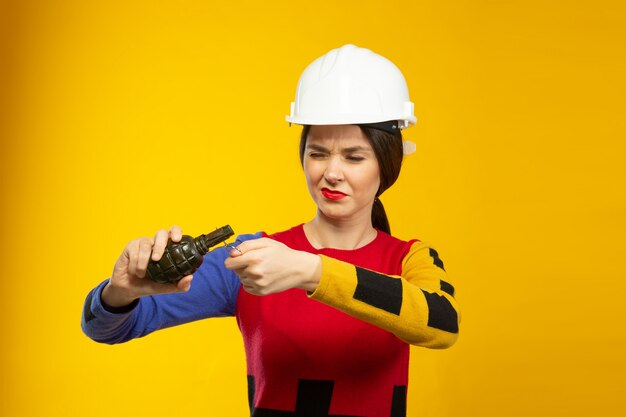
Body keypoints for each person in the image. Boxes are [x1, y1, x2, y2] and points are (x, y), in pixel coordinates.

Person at [82, 44, 460, 417]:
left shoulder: (409, 259)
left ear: (387, 164)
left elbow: (441, 324)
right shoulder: (252, 257)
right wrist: (121, 293)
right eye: (318, 153)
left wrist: (312, 271)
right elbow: (108, 329)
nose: (332, 172)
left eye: (354, 156)